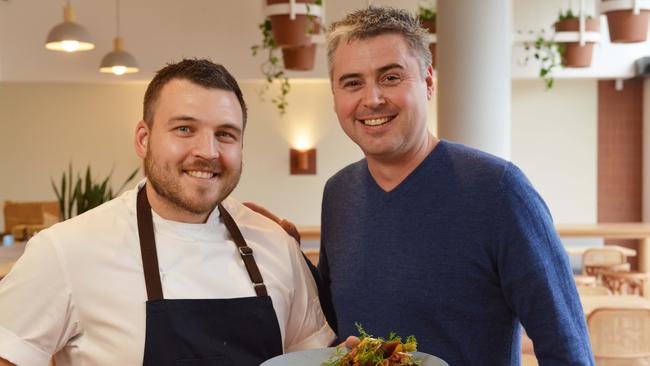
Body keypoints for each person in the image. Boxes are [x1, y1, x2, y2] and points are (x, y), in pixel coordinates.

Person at [253, 6, 595, 365]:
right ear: (336, 98)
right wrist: (286, 254)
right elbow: (335, 324)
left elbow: (566, 347)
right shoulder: (338, 193)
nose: (372, 99)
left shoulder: (499, 190)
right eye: (353, 83)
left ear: (428, 82)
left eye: (391, 77)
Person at [0, 59, 335, 366]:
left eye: (225, 134)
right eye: (185, 129)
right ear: (143, 139)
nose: (208, 151)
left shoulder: (276, 244)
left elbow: (312, 358)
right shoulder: (65, 250)